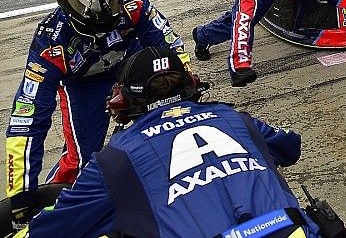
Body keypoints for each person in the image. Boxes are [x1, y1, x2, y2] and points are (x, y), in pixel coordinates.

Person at [21, 46, 324, 238]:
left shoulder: (114, 161)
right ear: (190, 83)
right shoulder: (236, 119)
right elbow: (290, 145)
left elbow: (51, 229)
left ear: (124, 100)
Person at [5, 0, 190, 232]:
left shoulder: (135, 2)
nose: (104, 6)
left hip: (132, 73)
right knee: (81, 157)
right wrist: (21, 194)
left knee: (166, 127)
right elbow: (27, 116)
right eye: (90, 0)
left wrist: (182, 85)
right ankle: (59, 210)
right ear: (65, 0)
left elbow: (171, 48)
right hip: (83, 87)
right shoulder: (50, 42)